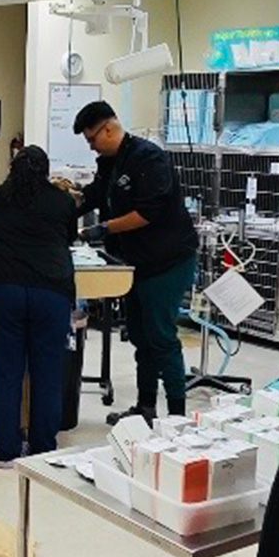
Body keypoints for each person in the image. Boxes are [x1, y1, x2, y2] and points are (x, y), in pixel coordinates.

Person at [72, 100, 199, 420]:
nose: (91, 148)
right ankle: (145, 407)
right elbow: (95, 195)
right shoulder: (109, 161)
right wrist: (62, 204)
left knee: (161, 337)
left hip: (167, 261)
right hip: (134, 263)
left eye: (92, 139)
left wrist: (103, 228)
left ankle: (177, 417)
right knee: (141, 336)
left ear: (109, 128)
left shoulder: (149, 158)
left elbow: (148, 212)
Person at [0, 145, 77, 467]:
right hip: (51, 292)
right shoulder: (61, 200)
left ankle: (6, 450)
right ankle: (43, 448)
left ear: (12, 168)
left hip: (4, 290)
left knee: (7, 373)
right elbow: (69, 238)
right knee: (47, 373)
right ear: (46, 171)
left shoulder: (0, 197)